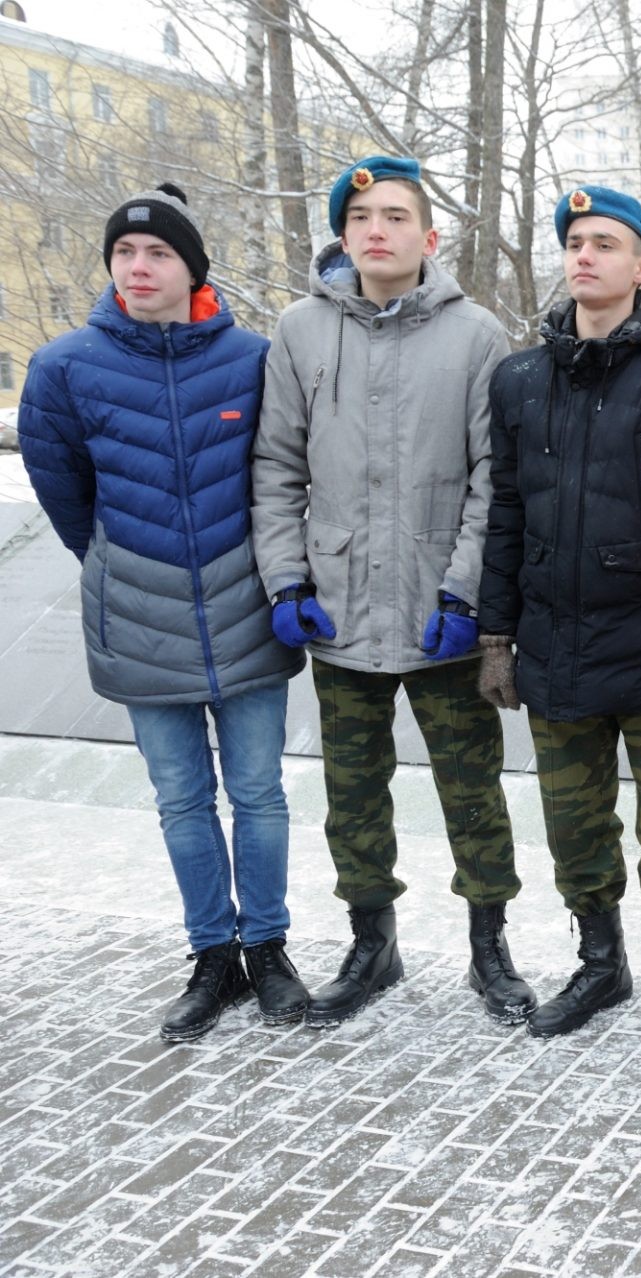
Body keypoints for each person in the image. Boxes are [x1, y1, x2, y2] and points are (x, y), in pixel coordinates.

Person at [19, 184, 308, 1041]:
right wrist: (117, 564)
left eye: (158, 254)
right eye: (124, 254)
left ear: (192, 270)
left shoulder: (254, 359)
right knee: (182, 798)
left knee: (258, 793)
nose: (139, 268)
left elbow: (282, 475)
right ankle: (211, 956)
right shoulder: (63, 368)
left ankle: (269, 949)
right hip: (139, 615)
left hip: (244, 608)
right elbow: (64, 491)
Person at [252, 156, 529, 1027]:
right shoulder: (299, 331)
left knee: (471, 787)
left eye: (398, 216)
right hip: (337, 608)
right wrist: (286, 577)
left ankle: (491, 948)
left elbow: (497, 477)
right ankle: (373, 943)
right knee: (353, 792)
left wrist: (465, 592)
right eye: (363, 215)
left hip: (439, 609)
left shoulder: (477, 335)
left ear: (429, 237)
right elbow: (275, 466)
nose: (379, 229)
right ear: (343, 235)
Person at [478, 187, 641, 1047]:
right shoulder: (518, 379)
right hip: (553, 649)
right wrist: (496, 636)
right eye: (575, 242)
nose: (585, 256)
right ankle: (601, 963)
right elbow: (504, 513)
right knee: (574, 826)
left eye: (607, 244)